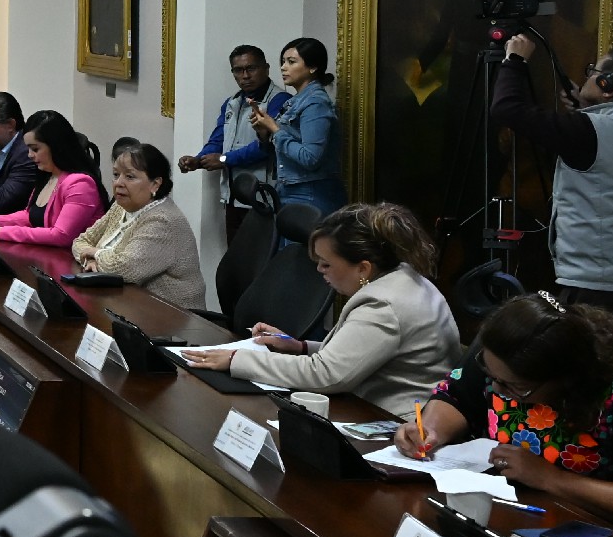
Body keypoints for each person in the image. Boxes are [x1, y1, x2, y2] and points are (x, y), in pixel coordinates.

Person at [398, 291, 613, 524]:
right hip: (513, 513)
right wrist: (430, 431)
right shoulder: (507, 351)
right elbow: (458, 396)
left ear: (565, 379)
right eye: (491, 376)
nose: (497, 390)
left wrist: (551, 479)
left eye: (515, 387)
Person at [182, 203, 458, 416]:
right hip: (376, 409)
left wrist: (236, 359)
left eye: (326, 264)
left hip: (396, 425)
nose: (319, 270)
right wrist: (301, 347)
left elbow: (325, 375)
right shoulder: (402, 279)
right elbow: (360, 354)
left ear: (363, 268)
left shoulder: (383, 305)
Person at [492, 34, 613, 320]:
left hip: (596, 283)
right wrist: (587, 110)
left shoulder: (586, 131)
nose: (589, 76)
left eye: (594, 72)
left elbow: (506, 108)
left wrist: (515, 60)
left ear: (609, 85)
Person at [70, 142, 205, 314]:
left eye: (130, 177)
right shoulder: (120, 207)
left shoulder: (162, 220)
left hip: (171, 318)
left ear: (155, 184)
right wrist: (89, 260)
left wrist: (96, 253)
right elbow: (80, 241)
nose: (119, 183)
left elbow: (125, 269)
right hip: (125, 305)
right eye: (116, 175)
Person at [180, 46, 291, 239]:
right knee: (235, 255)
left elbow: (266, 146)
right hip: (233, 197)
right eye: (238, 70)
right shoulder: (232, 102)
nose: (245, 75)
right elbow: (218, 139)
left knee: (262, 255)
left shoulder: (281, 101)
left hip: (264, 197)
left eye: (251, 68)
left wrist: (224, 159)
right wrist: (198, 160)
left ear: (266, 68)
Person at [0, 109, 102, 247]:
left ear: (55, 146)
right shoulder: (48, 176)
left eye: (35, 149)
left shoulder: (81, 184)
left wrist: (3, 232)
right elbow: (30, 216)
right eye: (28, 148)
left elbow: (61, 236)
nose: (30, 155)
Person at [257, 37, 343, 215]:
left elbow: (310, 158)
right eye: (283, 62)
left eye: (291, 62)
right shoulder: (296, 100)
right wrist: (264, 132)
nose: (283, 67)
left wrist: (275, 129)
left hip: (311, 192)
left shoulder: (315, 103)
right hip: (290, 188)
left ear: (312, 67)